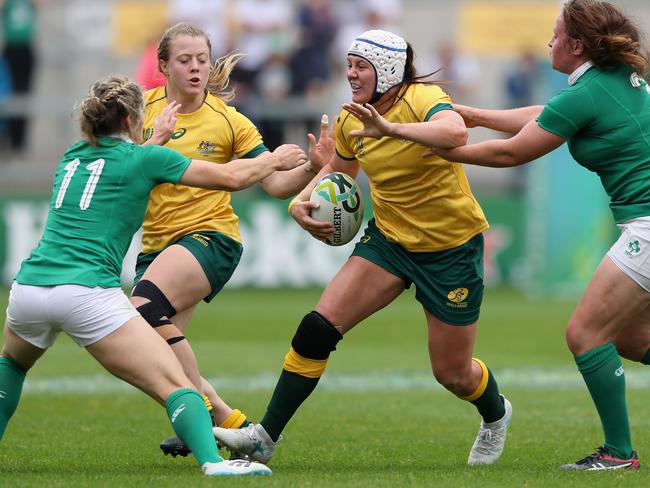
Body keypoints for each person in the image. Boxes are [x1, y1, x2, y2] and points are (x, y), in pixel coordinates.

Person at [214, 29, 512, 467]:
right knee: (317, 328)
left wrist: (389, 128)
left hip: (451, 249)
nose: (350, 73)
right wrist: (302, 201)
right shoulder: (350, 117)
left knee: (452, 373)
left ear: (387, 70)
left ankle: (496, 414)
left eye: (360, 66)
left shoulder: (424, 98)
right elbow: (340, 167)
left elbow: (455, 134)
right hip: (388, 242)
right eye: (349, 64)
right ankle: (264, 438)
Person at [0, 75, 308, 477]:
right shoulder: (145, 159)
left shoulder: (72, 156)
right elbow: (231, 178)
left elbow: (122, 167)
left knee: (12, 365)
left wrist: (156, 139)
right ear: (131, 120)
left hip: (29, 290)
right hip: (87, 293)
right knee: (176, 383)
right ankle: (214, 462)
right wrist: (275, 160)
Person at [426, 0, 648, 471]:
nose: (548, 41)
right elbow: (547, 113)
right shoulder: (604, 83)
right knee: (628, 336)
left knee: (585, 334)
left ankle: (619, 454)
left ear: (576, 45)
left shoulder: (586, 92)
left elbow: (511, 155)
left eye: (554, 34)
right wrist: (477, 115)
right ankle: (618, 451)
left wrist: (442, 152)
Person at [133, 22, 332, 457]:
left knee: (141, 311)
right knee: (153, 355)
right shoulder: (140, 111)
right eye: (184, 60)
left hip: (211, 239)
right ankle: (237, 428)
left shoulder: (229, 120)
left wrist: (311, 169)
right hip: (156, 247)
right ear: (163, 66)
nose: (195, 68)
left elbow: (274, 183)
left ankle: (205, 414)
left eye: (202, 59)